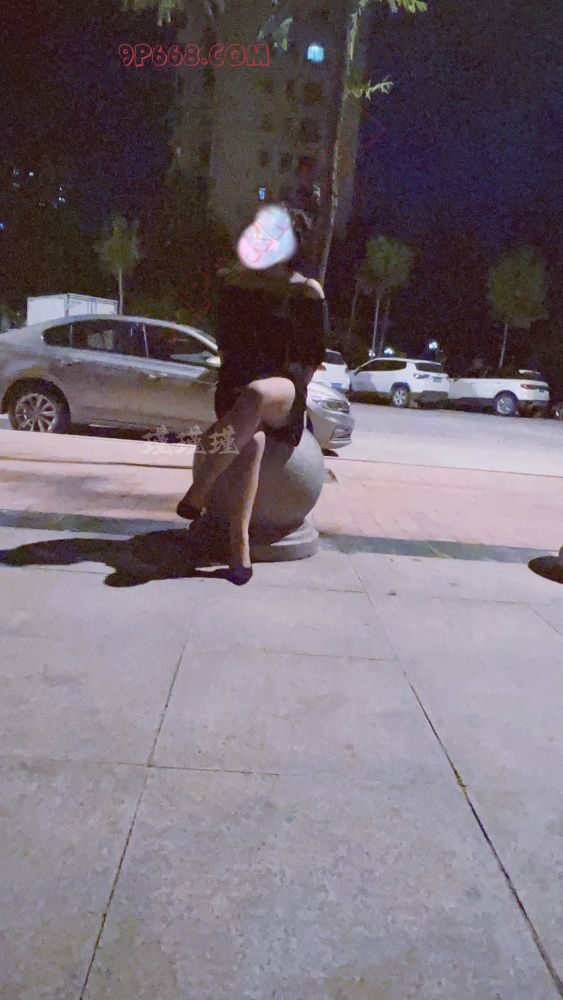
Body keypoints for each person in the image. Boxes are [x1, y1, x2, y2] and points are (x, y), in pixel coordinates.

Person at [175, 204, 329, 585]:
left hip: (283, 391)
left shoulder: (306, 291)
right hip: (236, 388)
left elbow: (311, 358)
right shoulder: (236, 285)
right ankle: (239, 546)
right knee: (253, 441)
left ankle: (199, 490)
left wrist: (289, 384)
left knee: (259, 394)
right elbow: (226, 346)